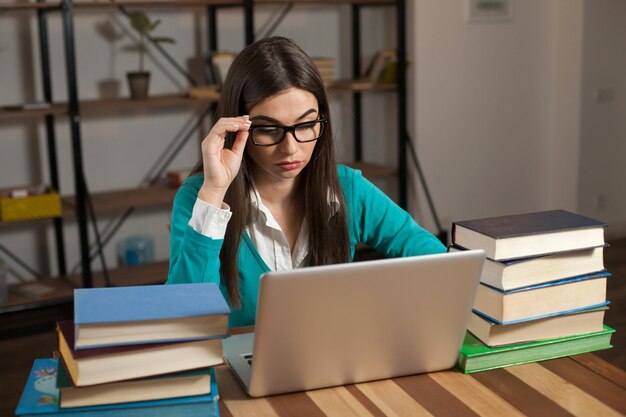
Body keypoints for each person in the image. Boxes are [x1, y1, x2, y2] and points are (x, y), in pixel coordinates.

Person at [167, 36, 446, 327]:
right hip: (237, 368)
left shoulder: (348, 188)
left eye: (306, 125)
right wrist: (214, 191)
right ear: (238, 127)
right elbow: (186, 315)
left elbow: (435, 262)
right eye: (267, 129)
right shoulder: (199, 198)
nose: (290, 148)